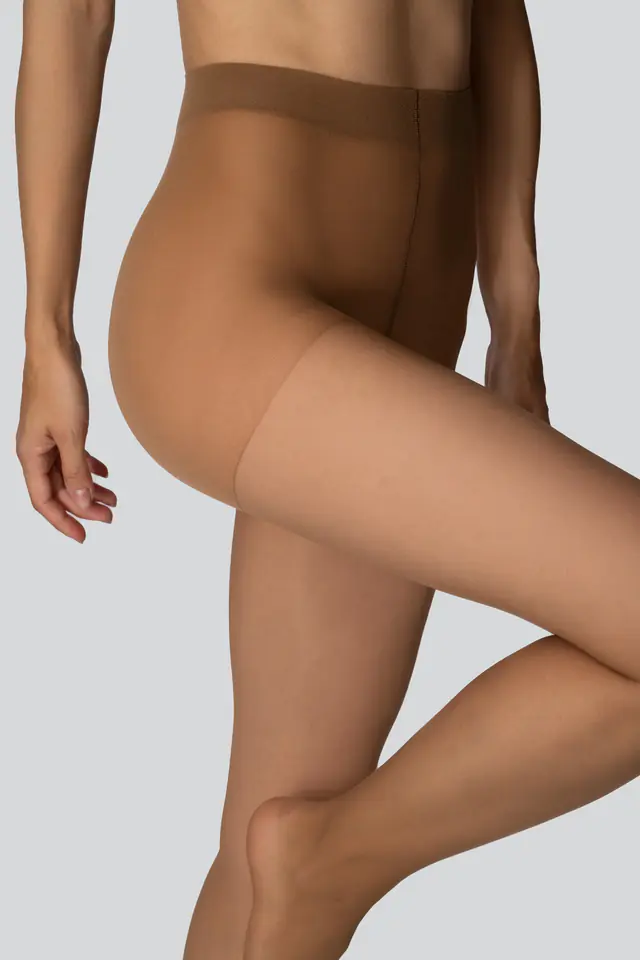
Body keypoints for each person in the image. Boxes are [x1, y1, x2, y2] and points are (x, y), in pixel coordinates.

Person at [14, 2, 640, 960]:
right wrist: (45, 337)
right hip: (236, 287)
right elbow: (70, 17)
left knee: (261, 847)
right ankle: (334, 859)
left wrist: (516, 315)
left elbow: (495, 18)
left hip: (415, 308)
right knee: (292, 852)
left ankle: (318, 860)